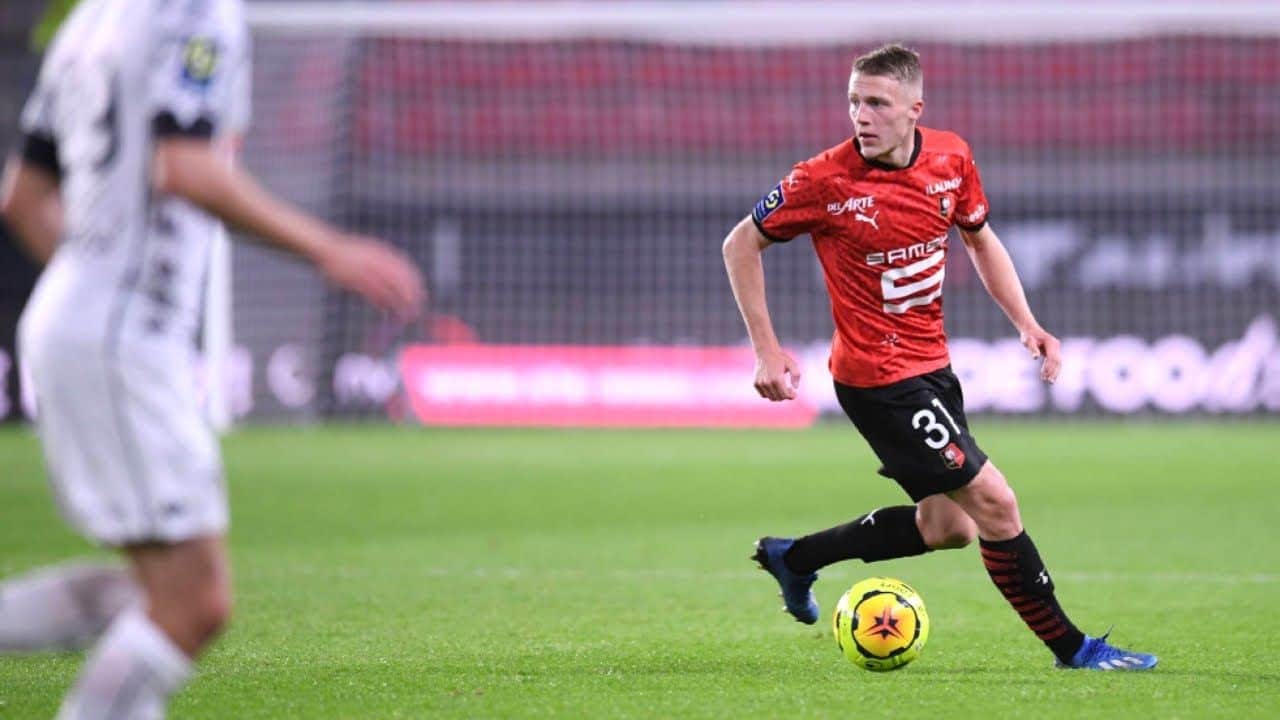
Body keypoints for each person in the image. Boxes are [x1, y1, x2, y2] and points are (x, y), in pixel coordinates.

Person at [0, 0, 425, 716]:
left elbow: (23, 197)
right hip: (120, 338)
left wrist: (92, 286)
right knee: (192, 605)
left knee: (166, 594)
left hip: (75, 319)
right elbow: (186, 168)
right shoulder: (197, 12)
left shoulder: (91, 21)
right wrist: (330, 248)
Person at [721, 43, 1155, 671]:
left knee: (949, 527)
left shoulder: (951, 158)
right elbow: (740, 244)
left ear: (914, 109)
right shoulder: (822, 180)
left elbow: (979, 238)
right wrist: (767, 349)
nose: (861, 115)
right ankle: (1074, 648)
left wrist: (1027, 323)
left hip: (932, 369)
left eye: (877, 103)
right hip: (878, 380)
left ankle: (795, 557)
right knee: (997, 503)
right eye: (854, 102)